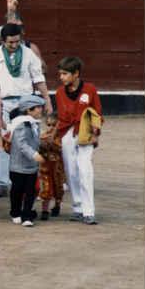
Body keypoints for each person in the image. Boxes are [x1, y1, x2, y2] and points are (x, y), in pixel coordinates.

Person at [0, 23, 51, 197]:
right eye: (10, 42)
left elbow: (38, 78)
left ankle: (30, 181)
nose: (14, 45)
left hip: (26, 103)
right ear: (2, 41)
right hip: (3, 102)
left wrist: (47, 99)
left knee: (29, 141)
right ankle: (2, 182)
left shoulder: (29, 54)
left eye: (17, 41)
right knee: (4, 140)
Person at [55, 56, 103, 225]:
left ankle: (89, 211)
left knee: (85, 171)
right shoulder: (60, 92)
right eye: (60, 74)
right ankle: (77, 208)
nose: (61, 77)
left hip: (85, 133)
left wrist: (95, 133)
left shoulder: (90, 89)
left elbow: (97, 112)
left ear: (76, 73)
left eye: (65, 74)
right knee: (71, 171)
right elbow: (61, 117)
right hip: (67, 134)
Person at [6, 94, 46, 227]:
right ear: (29, 110)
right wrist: (34, 154)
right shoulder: (21, 124)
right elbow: (21, 144)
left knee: (30, 191)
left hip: (31, 165)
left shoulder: (34, 123)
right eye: (38, 107)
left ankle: (27, 215)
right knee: (17, 191)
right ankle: (15, 212)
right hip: (18, 165)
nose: (41, 110)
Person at [38, 112, 65, 220]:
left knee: (58, 187)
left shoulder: (62, 137)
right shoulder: (43, 135)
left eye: (54, 125)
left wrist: (51, 142)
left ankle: (57, 206)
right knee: (46, 187)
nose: (51, 127)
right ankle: (45, 210)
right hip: (45, 166)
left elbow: (60, 148)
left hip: (58, 166)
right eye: (48, 125)